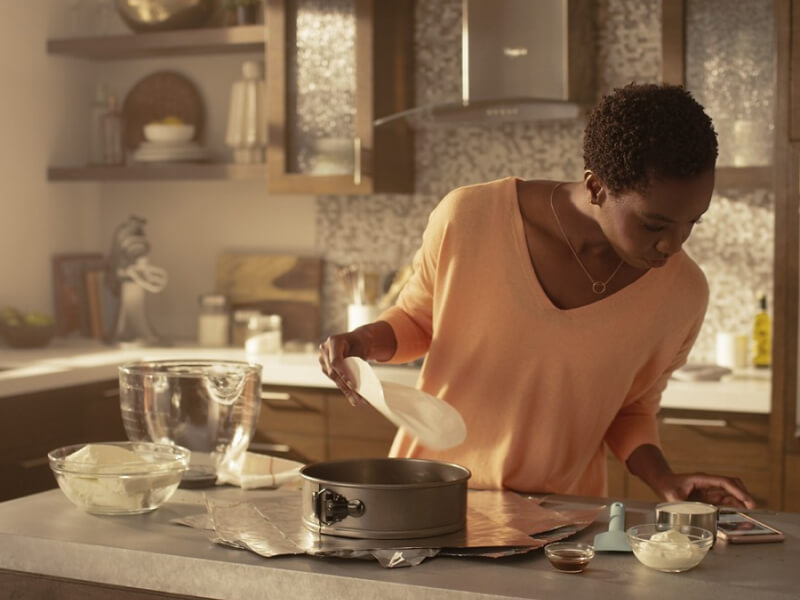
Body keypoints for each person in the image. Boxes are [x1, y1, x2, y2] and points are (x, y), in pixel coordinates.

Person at [318, 82, 756, 509]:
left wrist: (667, 482)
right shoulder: (470, 218)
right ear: (596, 187)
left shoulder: (683, 293)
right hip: (430, 498)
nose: (673, 244)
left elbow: (631, 408)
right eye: (655, 225)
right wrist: (360, 343)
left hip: (560, 523)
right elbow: (416, 323)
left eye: (692, 223)